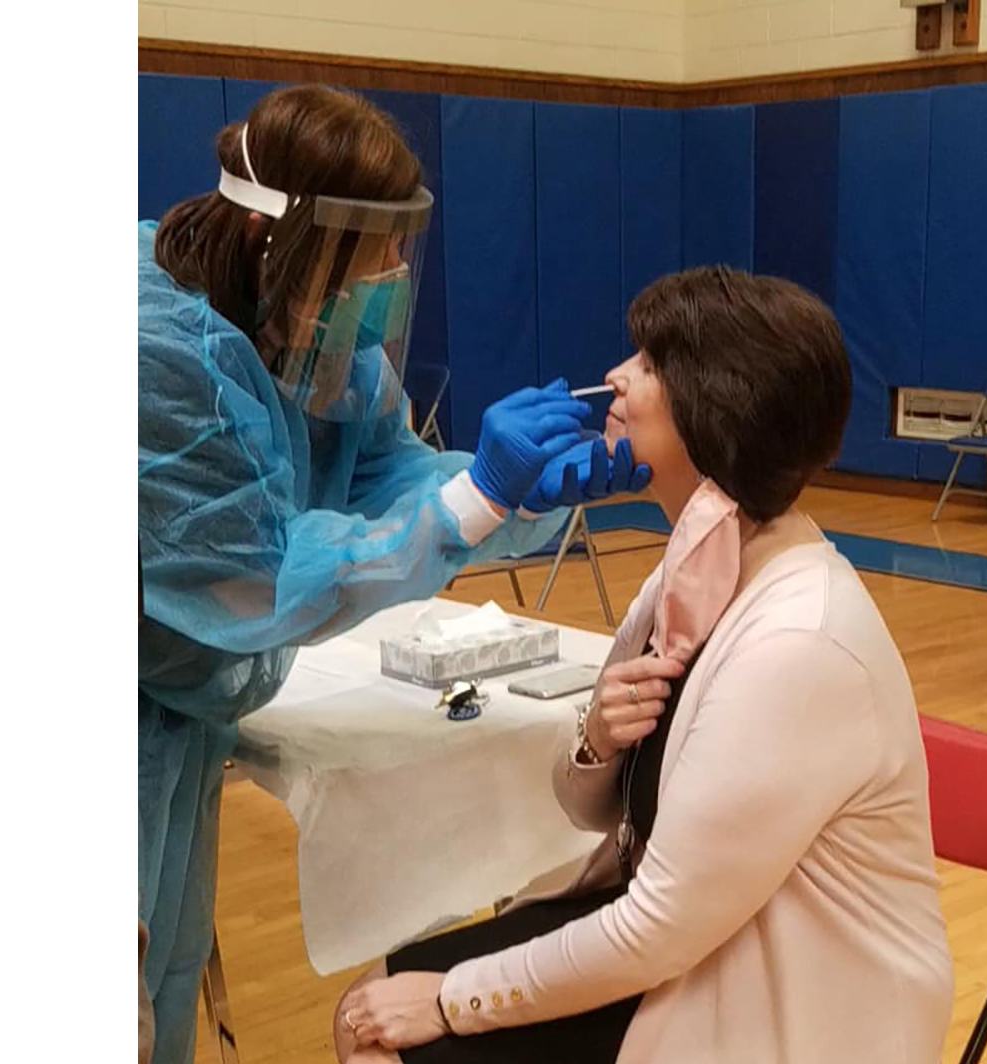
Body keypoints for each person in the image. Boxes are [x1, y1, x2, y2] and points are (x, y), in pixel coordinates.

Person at [139, 85, 648, 1064]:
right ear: (285, 238)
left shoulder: (321, 341)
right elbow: (258, 575)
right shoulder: (159, 351)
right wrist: (473, 501)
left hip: (174, 709)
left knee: (164, 969)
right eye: (373, 247)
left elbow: (387, 479)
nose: (393, 273)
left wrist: (512, 495)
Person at [334, 267, 955, 1064]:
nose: (616, 377)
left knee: (380, 1035)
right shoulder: (695, 569)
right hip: (697, 942)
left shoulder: (800, 639)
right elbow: (594, 814)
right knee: (367, 1009)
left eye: (651, 364)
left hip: (787, 1001)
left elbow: (658, 925)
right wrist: (597, 738)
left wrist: (455, 1000)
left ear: (718, 407)